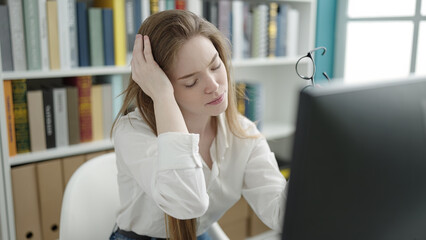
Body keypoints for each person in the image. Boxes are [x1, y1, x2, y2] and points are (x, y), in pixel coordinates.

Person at [110, 9, 287, 240]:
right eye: (191, 82)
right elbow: (187, 204)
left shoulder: (241, 133)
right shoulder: (133, 132)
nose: (214, 85)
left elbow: (280, 213)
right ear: (158, 83)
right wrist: (162, 97)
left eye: (215, 66)